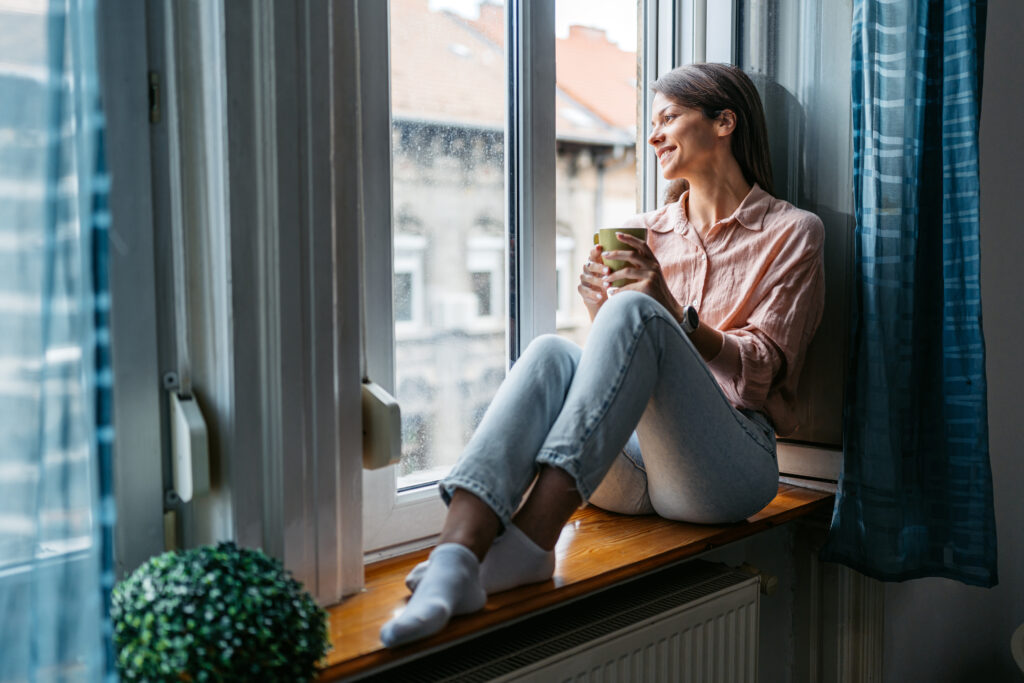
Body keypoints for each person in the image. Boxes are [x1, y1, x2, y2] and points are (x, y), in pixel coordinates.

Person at [380, 62, 825, 648]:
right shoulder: (643, 230)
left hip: (726, 469)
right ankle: (456, 555)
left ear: (724, 122)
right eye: (652, 121)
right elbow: (620, 372)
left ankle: (533, 540)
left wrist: (664, 307)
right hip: (633, 470)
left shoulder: (793, 231)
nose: (654, 135)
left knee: (636, 313)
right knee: (548, 354)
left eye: (668, 117)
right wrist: (602, 311)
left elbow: (759, 376)